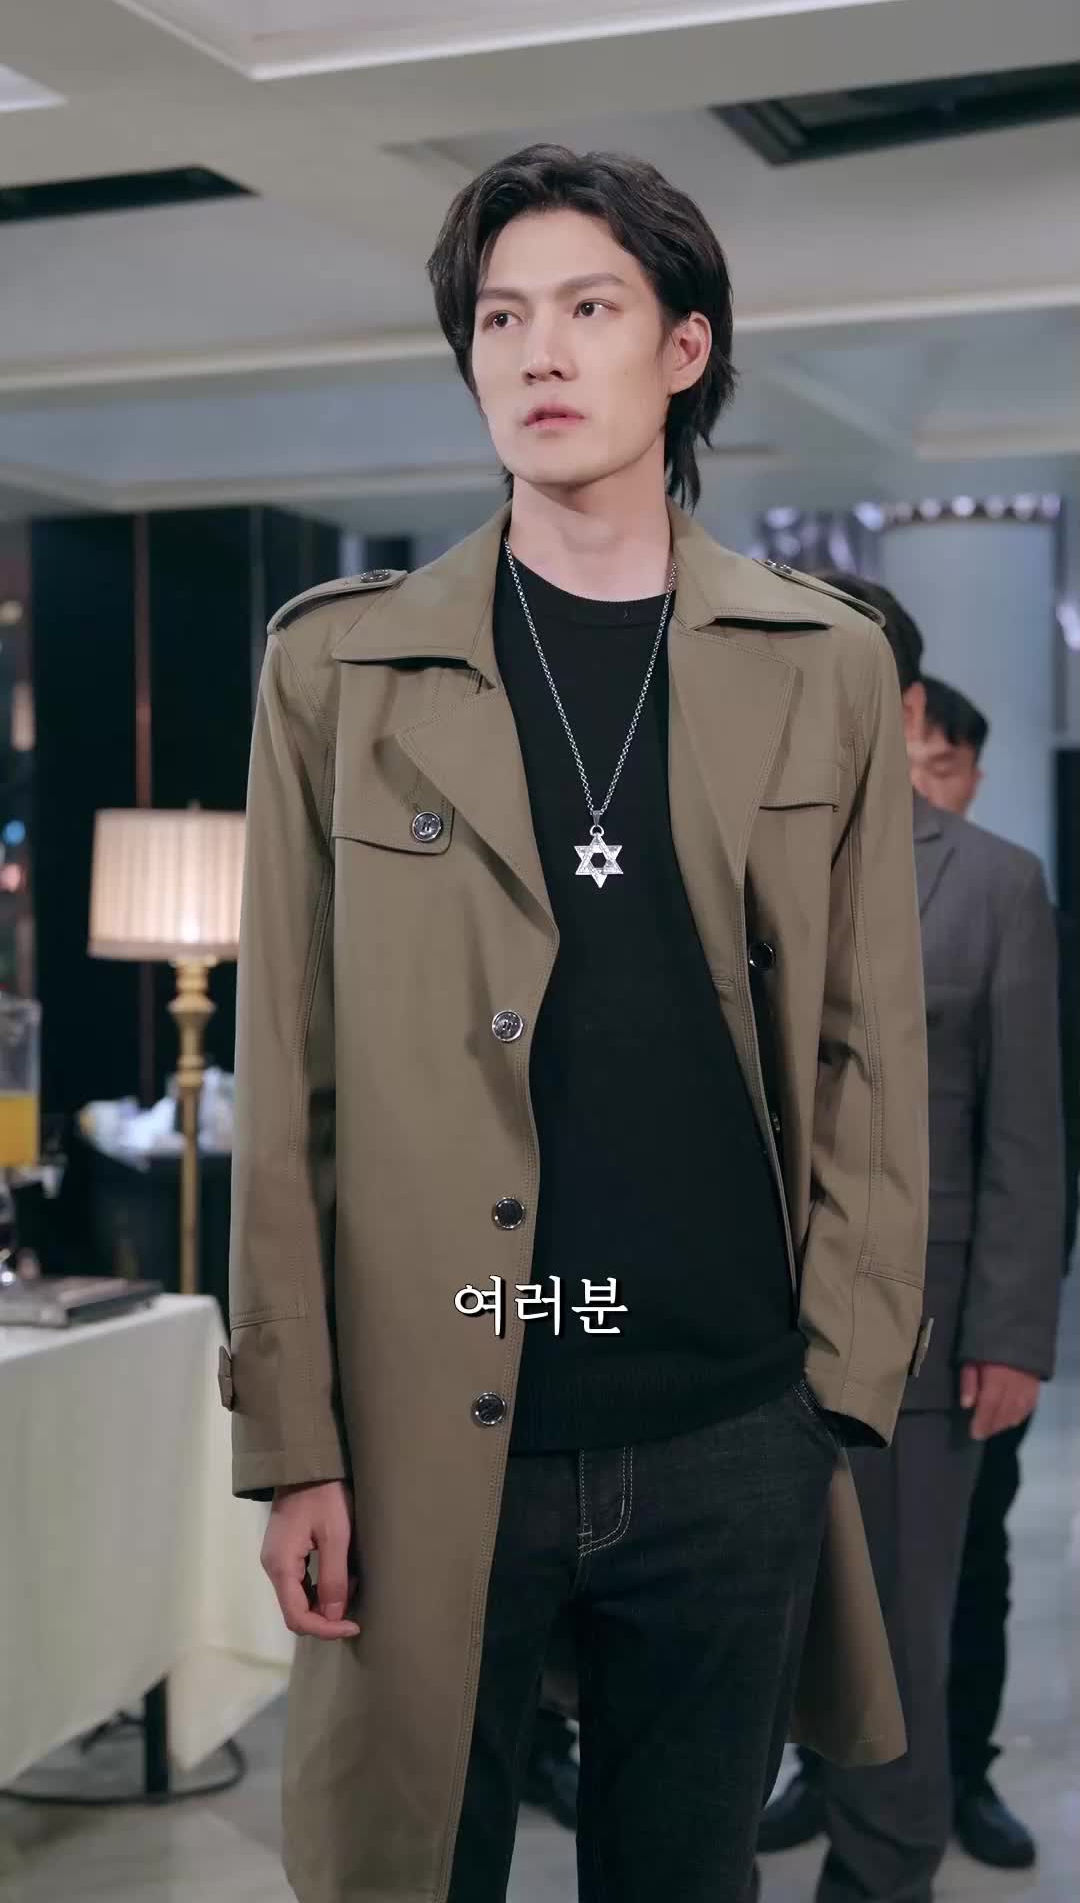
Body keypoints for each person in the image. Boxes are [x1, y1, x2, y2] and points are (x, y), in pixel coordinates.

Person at [224, 145, 930, 1903]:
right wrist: (294, 1443)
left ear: (685, 349)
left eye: (590, 309)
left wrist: (836, 1395)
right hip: (427, 1425)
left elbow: (868, 1054)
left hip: (731, 1427)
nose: (536, 352)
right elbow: (288, 1084)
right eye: (499, 318)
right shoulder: (337, 671)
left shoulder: (824, 663)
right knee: (403, 1869)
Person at [758, 589, 1064, 1902]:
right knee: (737, 1639)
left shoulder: (993, 884)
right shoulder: (721, 853)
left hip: (923, 1334)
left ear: (904, 704)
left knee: (894, 1639)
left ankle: (885, 1874)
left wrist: (1012, 1334)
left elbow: (1026, 1132)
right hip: (730, 1331)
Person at [911, 673, 1080, 1869]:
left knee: (972, 1557)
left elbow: (1042, 1138)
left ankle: (961, 1772)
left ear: (973, 776)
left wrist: (1015, 1325)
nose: (926, 789)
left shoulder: (1018, 905)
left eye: (944, 769)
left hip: (975, 1308)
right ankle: (826, 1767)